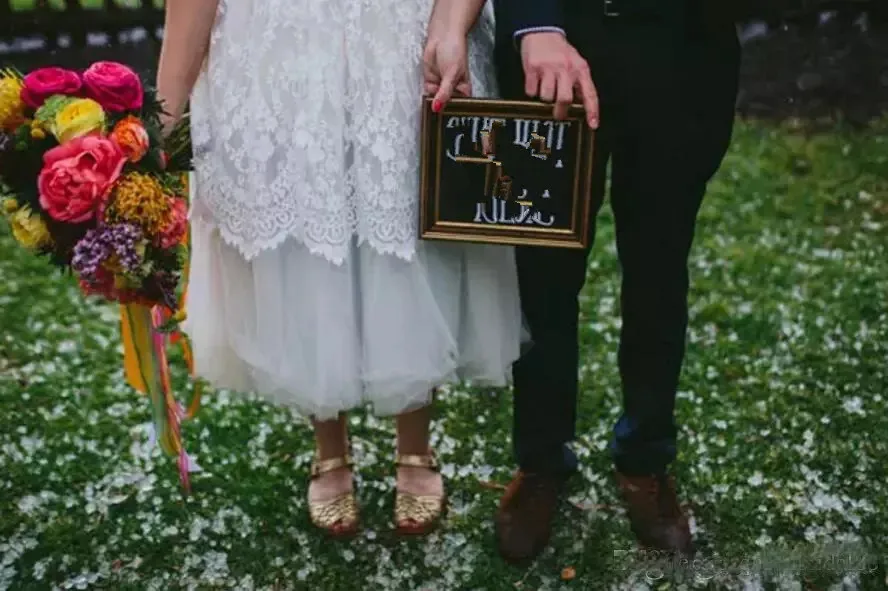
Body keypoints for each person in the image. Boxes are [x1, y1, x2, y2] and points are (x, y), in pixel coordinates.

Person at [155, 0, 523, 537]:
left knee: (408, 228)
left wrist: (453, 21)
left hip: (401, 33)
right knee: (307, 240)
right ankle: (328, 447)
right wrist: (162, 111)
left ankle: (415, 446)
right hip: (280, 44)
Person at [478, 0, 740, 564]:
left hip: (682, 45)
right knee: (542, 271)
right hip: (561, 35)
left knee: (660, 268)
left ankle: (646, 458)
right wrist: (534, 22)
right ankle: (541, 461)